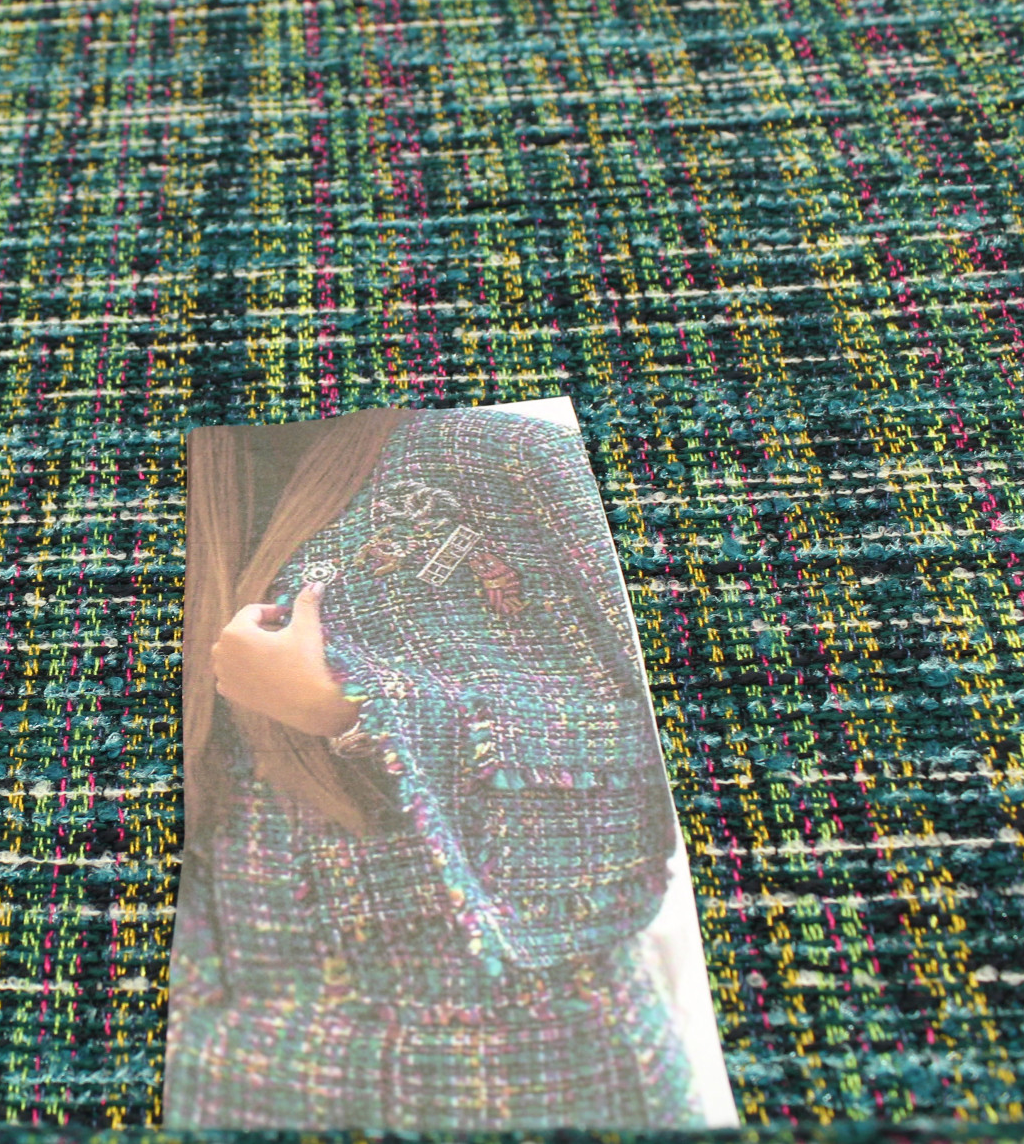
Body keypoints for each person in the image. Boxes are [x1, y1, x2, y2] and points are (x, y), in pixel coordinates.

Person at [164, 407, 705, 1130]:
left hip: (517, 1063)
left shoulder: (503, 459)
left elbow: (679, 738)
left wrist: (353, 708)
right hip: (221, 1065)